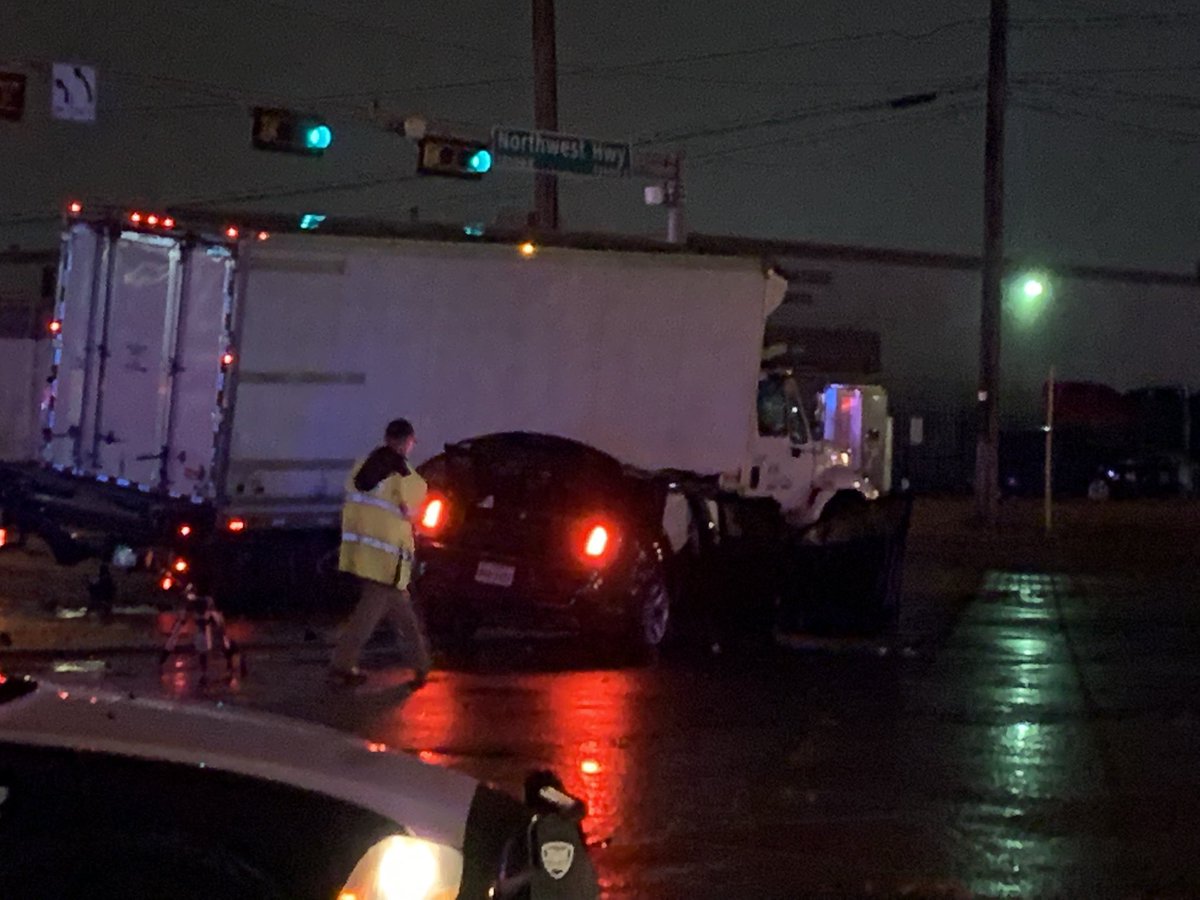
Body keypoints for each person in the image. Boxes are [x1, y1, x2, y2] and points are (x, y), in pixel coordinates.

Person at [330, 418, 433, 687]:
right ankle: (342, 664)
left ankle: (422, 665)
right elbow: (412, 513)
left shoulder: (360, 467)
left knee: (402, 610)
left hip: (362, 550)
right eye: (411, 442)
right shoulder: (404, 475)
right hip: (388, 557)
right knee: (370, 613)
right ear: (406, 442)